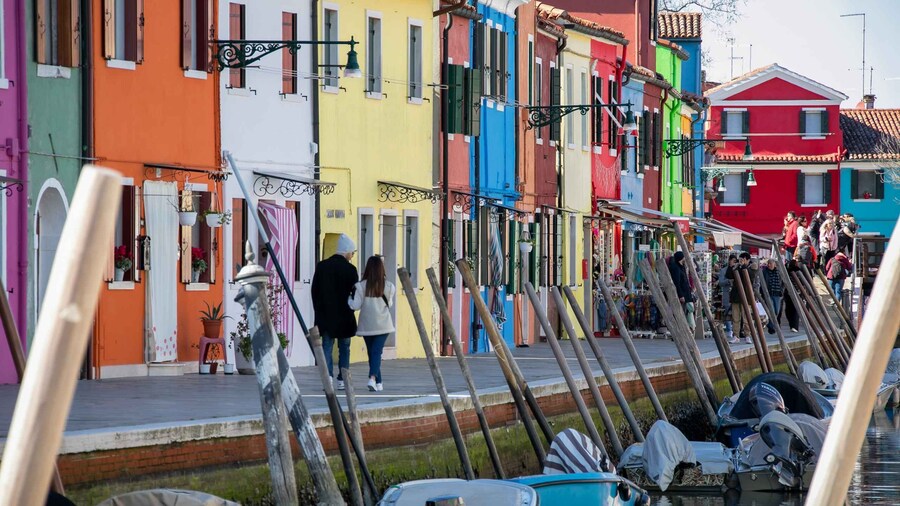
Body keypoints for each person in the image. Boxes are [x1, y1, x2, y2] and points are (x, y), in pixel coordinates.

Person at [311, 234, 359, 390]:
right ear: (346, 252)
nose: (352, 256)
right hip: (345, 315)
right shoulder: (351, 270)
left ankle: (328, 378)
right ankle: (343, 378)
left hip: (325, 315)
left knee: (327, 346)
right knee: (344, 347)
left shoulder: (322, 266)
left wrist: (318, 310)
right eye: (352, 253)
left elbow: (315, 291)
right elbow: (354, 292)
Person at [348, 255, 396, 392]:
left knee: (373, 352)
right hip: (383, 325)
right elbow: (390, 304)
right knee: (375, 352)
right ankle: (378, 381)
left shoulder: (360, 286)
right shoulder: (389, 286)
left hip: (367, 325)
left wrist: (348, 300)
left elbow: (355, 306)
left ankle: (372, 378)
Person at [726, 252, 754, 345]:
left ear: (747, 260)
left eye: (743, 259)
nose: (741, 261)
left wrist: (743, 266)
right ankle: (736, 336)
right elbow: (729, 276)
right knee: (735, 317)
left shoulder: (751, 267)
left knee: (746, 318)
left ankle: (747, 336)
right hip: (736, 296)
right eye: (740, 259)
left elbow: (750, 276)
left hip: (746, 296)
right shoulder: (737, 267)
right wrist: (731, 266)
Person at [668, 251, 694, 332]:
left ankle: (686, 329)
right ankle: (681, 330)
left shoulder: (681, 266)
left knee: (687, 312)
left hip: (686, 294)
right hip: (683, 294)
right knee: (681, 313)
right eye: (683, 257)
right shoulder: (676, 268)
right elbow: (677, 283)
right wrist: (680, 295)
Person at [718, 255, 738, 340]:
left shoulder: (737, 269)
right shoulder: (723, 270)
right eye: (733, 260)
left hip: (736, 293)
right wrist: (728, 281)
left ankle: (735, 330)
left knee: (735, 312)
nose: (734, 262)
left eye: (735, 261)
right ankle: (729, 330)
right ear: (729, 261)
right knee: (727, 310)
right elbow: (721, 282)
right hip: (727, 293)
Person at [762, 259, 784, 334]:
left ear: (774, 264)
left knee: (777, 310)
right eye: (768, 263)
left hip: (777, 293)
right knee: (771, 310)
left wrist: (782, 290)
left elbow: (783, 282)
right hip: (769, 293)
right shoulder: (765, 272)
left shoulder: (779, 272)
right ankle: (771, 326)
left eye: (770, 263)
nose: (769, 265)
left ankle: (772, 324)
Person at [783, 260, 802, 333]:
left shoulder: (787, 272)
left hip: (789, 292)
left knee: (789, 309)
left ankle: (793, 325)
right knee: (794, 310)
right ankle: (794, 326)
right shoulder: (799, 272)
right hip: (796, 292)